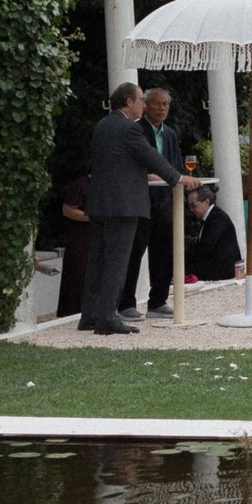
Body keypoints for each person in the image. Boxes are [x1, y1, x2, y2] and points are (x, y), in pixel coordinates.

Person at [82, 82, 190, 336]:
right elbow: (150, 156)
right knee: (116, 264)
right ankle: (107, 317)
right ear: (129, 102)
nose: (143, 104)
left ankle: (90, 315)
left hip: (100, 204)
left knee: (97, 262)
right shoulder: (128, 129)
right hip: (123, 206)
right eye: (141, 100)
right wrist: (179, 178)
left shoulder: (103, 125)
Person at [119, 87, 183, 316]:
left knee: (164, 252)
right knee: (133, 252)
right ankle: (126, 303)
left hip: (165, 202)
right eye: (157, 103)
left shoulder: (170, 134)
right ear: (145, 105)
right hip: (140, 201)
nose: (162, 108)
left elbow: (176, 167)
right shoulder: (135, 130)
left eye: (165, 104)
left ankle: (158, 301)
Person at [183, 181, 243, 284]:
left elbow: (206, 246)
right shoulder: (211, 217)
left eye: (194, 205)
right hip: (216, 263)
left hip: (222, 269)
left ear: (206, 202)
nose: (192, 209)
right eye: (190, 206)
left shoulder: (217, 218)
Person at [52, 173, 90, 319]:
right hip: (81, 238)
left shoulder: (110, 184)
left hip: (100, 239)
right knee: (78, 275)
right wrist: (92, 217)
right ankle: (72, 313)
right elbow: (68, 209)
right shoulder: (81, 184)